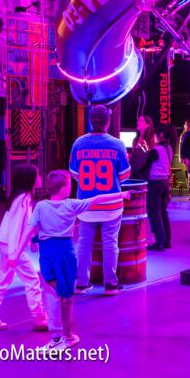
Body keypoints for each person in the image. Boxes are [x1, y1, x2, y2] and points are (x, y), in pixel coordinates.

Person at [13, 170, 130, 351]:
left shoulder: (41, 206)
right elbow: (98, 199)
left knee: (52, 291)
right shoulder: (72, 205)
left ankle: (57, 335)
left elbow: (29, 231)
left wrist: (16, 254)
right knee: (66, 297)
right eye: (69, 185)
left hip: (46, 256)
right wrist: (121, 194)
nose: (71, 187)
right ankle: (66, 337)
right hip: (64, 255)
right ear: (62, 189)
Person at [70, 104, 131, 295]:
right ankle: (110, 284)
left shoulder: (78, 143)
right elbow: (124, 175)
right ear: (108, 121)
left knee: (83, 243)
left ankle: (81, 283)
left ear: (90, 120)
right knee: (110, 243)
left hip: (86, 205)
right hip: (111, 206)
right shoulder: (117, 144)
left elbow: (75, 173)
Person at [0, 164, 47, 332]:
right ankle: (39, 317)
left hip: (7, 244)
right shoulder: (23, 199)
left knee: (3, 278)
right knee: (32, 280)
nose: (40, 178)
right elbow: (17, 227)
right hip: (12, 247)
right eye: (37, 175)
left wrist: (31, 242)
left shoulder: (21, 198)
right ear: (30, 180)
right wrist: (14, 254)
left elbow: (24, 225)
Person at [145, 123, 176, 251]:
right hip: (164, 182)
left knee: (153, 211)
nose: (154, 137)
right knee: (163, 211)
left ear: (161, 135)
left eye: (155, 134)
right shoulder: (169, 148)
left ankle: (159, 241)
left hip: (155, 182)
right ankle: (167, 240)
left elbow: (145, 163)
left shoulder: (156, 150)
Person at [179, 120, 190, 199]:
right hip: (188, 157)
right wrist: (182, 157)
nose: (185, 126)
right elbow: (181, 147)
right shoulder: (184, 135)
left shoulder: (189, 134)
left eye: (186, 125)